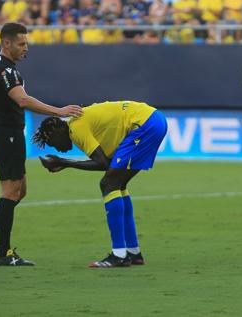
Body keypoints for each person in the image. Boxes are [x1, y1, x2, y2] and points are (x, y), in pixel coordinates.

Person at [0, 23, 83, 266]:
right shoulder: (4, 71)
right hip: (7, 135)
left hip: (5, 136)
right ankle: (4, 253)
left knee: (20, 191)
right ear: (6, 43)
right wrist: (59, 111)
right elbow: (22, 100)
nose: (26, 48)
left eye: (26, 43)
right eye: (21, 44)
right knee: (10, 192)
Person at [32, 101, 168, 268]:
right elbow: (108, 162)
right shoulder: (79, 123)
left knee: (108, 184)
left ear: (57, 131)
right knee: (118, 184)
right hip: (153, 119)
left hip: (144, 124)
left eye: (53, 142)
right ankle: (133, 252)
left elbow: (102, 163)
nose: (57, 149)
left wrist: (64, 162)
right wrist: (65, 162)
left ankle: (119, 255)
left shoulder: (76, 129)